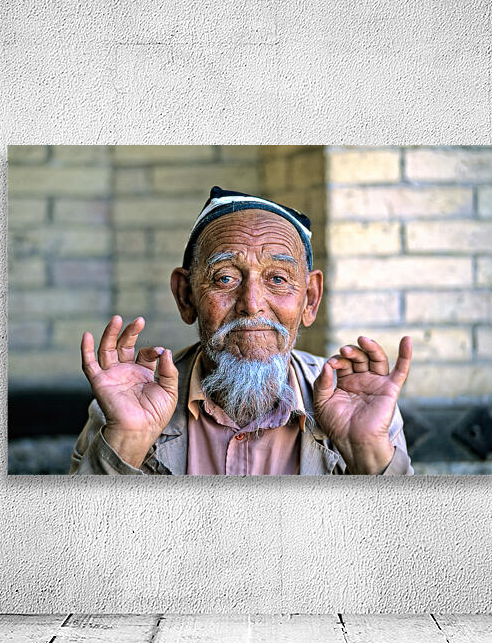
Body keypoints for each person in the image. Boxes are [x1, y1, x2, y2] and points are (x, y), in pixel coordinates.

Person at [70, 186, 414, 476]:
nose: (251, 303)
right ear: (186, 296)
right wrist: (127, 440)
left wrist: (365, 449)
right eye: (225, 278)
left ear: (309, 299)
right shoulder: (128, 404)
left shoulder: (358, 405)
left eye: (277, 279)